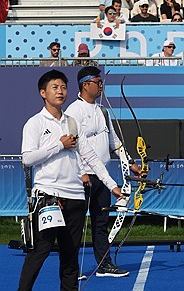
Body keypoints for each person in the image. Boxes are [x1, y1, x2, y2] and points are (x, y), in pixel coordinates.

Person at [18, 70, 125, 290]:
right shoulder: (35, 123)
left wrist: (112, 185)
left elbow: (92, 158)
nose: (60, 91)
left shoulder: (72, 123)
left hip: (75, 197)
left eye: (63, 87)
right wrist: (59, 145)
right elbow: (27, 158)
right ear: (43, 93)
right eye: (54, 87)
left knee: (70, 257)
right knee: (41, 251)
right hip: (48, 197)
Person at [65, 66, 143, 278]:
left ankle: (104, 264)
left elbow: (114, 142)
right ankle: (71, 269)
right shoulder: (73, 111)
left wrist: (131, 163)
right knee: (76, 225)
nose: (101, 86)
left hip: (102, 177)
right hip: (82, 178)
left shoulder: (103, 111)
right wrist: (81, 172)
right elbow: (72, 147)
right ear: (85, 85)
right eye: (98, 82)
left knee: (101, 222)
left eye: (101, 82)